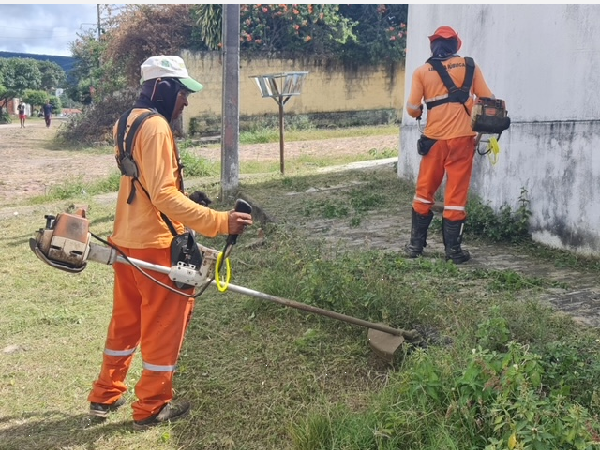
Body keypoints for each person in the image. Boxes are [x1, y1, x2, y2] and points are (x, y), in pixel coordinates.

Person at [87, 55, 253, 430]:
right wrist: (220, 221)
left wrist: (187, 198)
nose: (186, 102)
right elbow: (162, 195)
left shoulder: (125, 122)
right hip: (157, 244)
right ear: (163, 88)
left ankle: (105, 395)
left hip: (126, 242)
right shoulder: (158, 126)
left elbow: (144, 185)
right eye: (182, 92)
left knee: (126, 324)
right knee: (164, 326)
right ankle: (151, 407)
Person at [404, 26, 495, 264]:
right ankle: (453, 252)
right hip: (463, 140)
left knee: (425, 191)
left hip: (433, 141)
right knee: (456, 194)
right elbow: (487, 98)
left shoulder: (422, 72)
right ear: (456, 45)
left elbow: (413, 107)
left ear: (433, 46)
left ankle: (415, 246)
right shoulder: (470, 66)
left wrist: (421, 109)